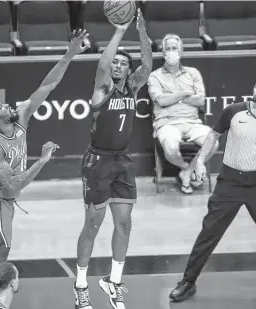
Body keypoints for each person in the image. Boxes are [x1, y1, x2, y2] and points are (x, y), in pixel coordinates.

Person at [0, 29, 90, 309]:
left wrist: (70, 53)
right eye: (0, 106)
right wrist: (42, 161)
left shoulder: (21, 115)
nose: (6, 104)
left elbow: (47, 85)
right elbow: (12, 185)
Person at [169, 73, 256, 302]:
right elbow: (213, 134)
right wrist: (199, 162)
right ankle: (188, 282)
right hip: (229, 183)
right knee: (209, 233)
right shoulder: (233, 111)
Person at [73, 9, 152, 309]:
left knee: (125, 225)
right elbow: (102, 64)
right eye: (115, 62)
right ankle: (80, 284)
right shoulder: (102, 88)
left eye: (123, 63)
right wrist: (119, 30)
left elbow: (147, 62)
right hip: (97, 163)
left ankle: (113, 282)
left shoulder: (133, 86)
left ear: (128, 71)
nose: (117, 65)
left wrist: (141, 30)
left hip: (122, 162)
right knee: (92, 226)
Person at [147, 34, 219, 194]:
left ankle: (186, 173)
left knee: (213, 141)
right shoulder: (155, 76)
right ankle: (187, 168)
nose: (171, 52)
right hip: (166, 123)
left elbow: (200, 100)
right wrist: (184, 93)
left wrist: (172, 96)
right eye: (168, 49)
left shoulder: (193, 73)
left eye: (175, 48)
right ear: (163, 52)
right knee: (171, 148)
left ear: (181, 51)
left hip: (193, 122)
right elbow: (162, 101)